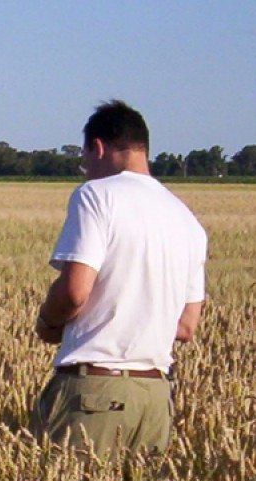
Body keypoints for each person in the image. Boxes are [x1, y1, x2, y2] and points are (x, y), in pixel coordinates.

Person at [30, 100, 207, 456]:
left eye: (84, 160)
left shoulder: (96, 195)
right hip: (155, 399)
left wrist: (47, 322)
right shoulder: (186, 218)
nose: (85, 170)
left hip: (95, 394)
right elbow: (187, 326)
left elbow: (75, 291)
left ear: (97, 147)